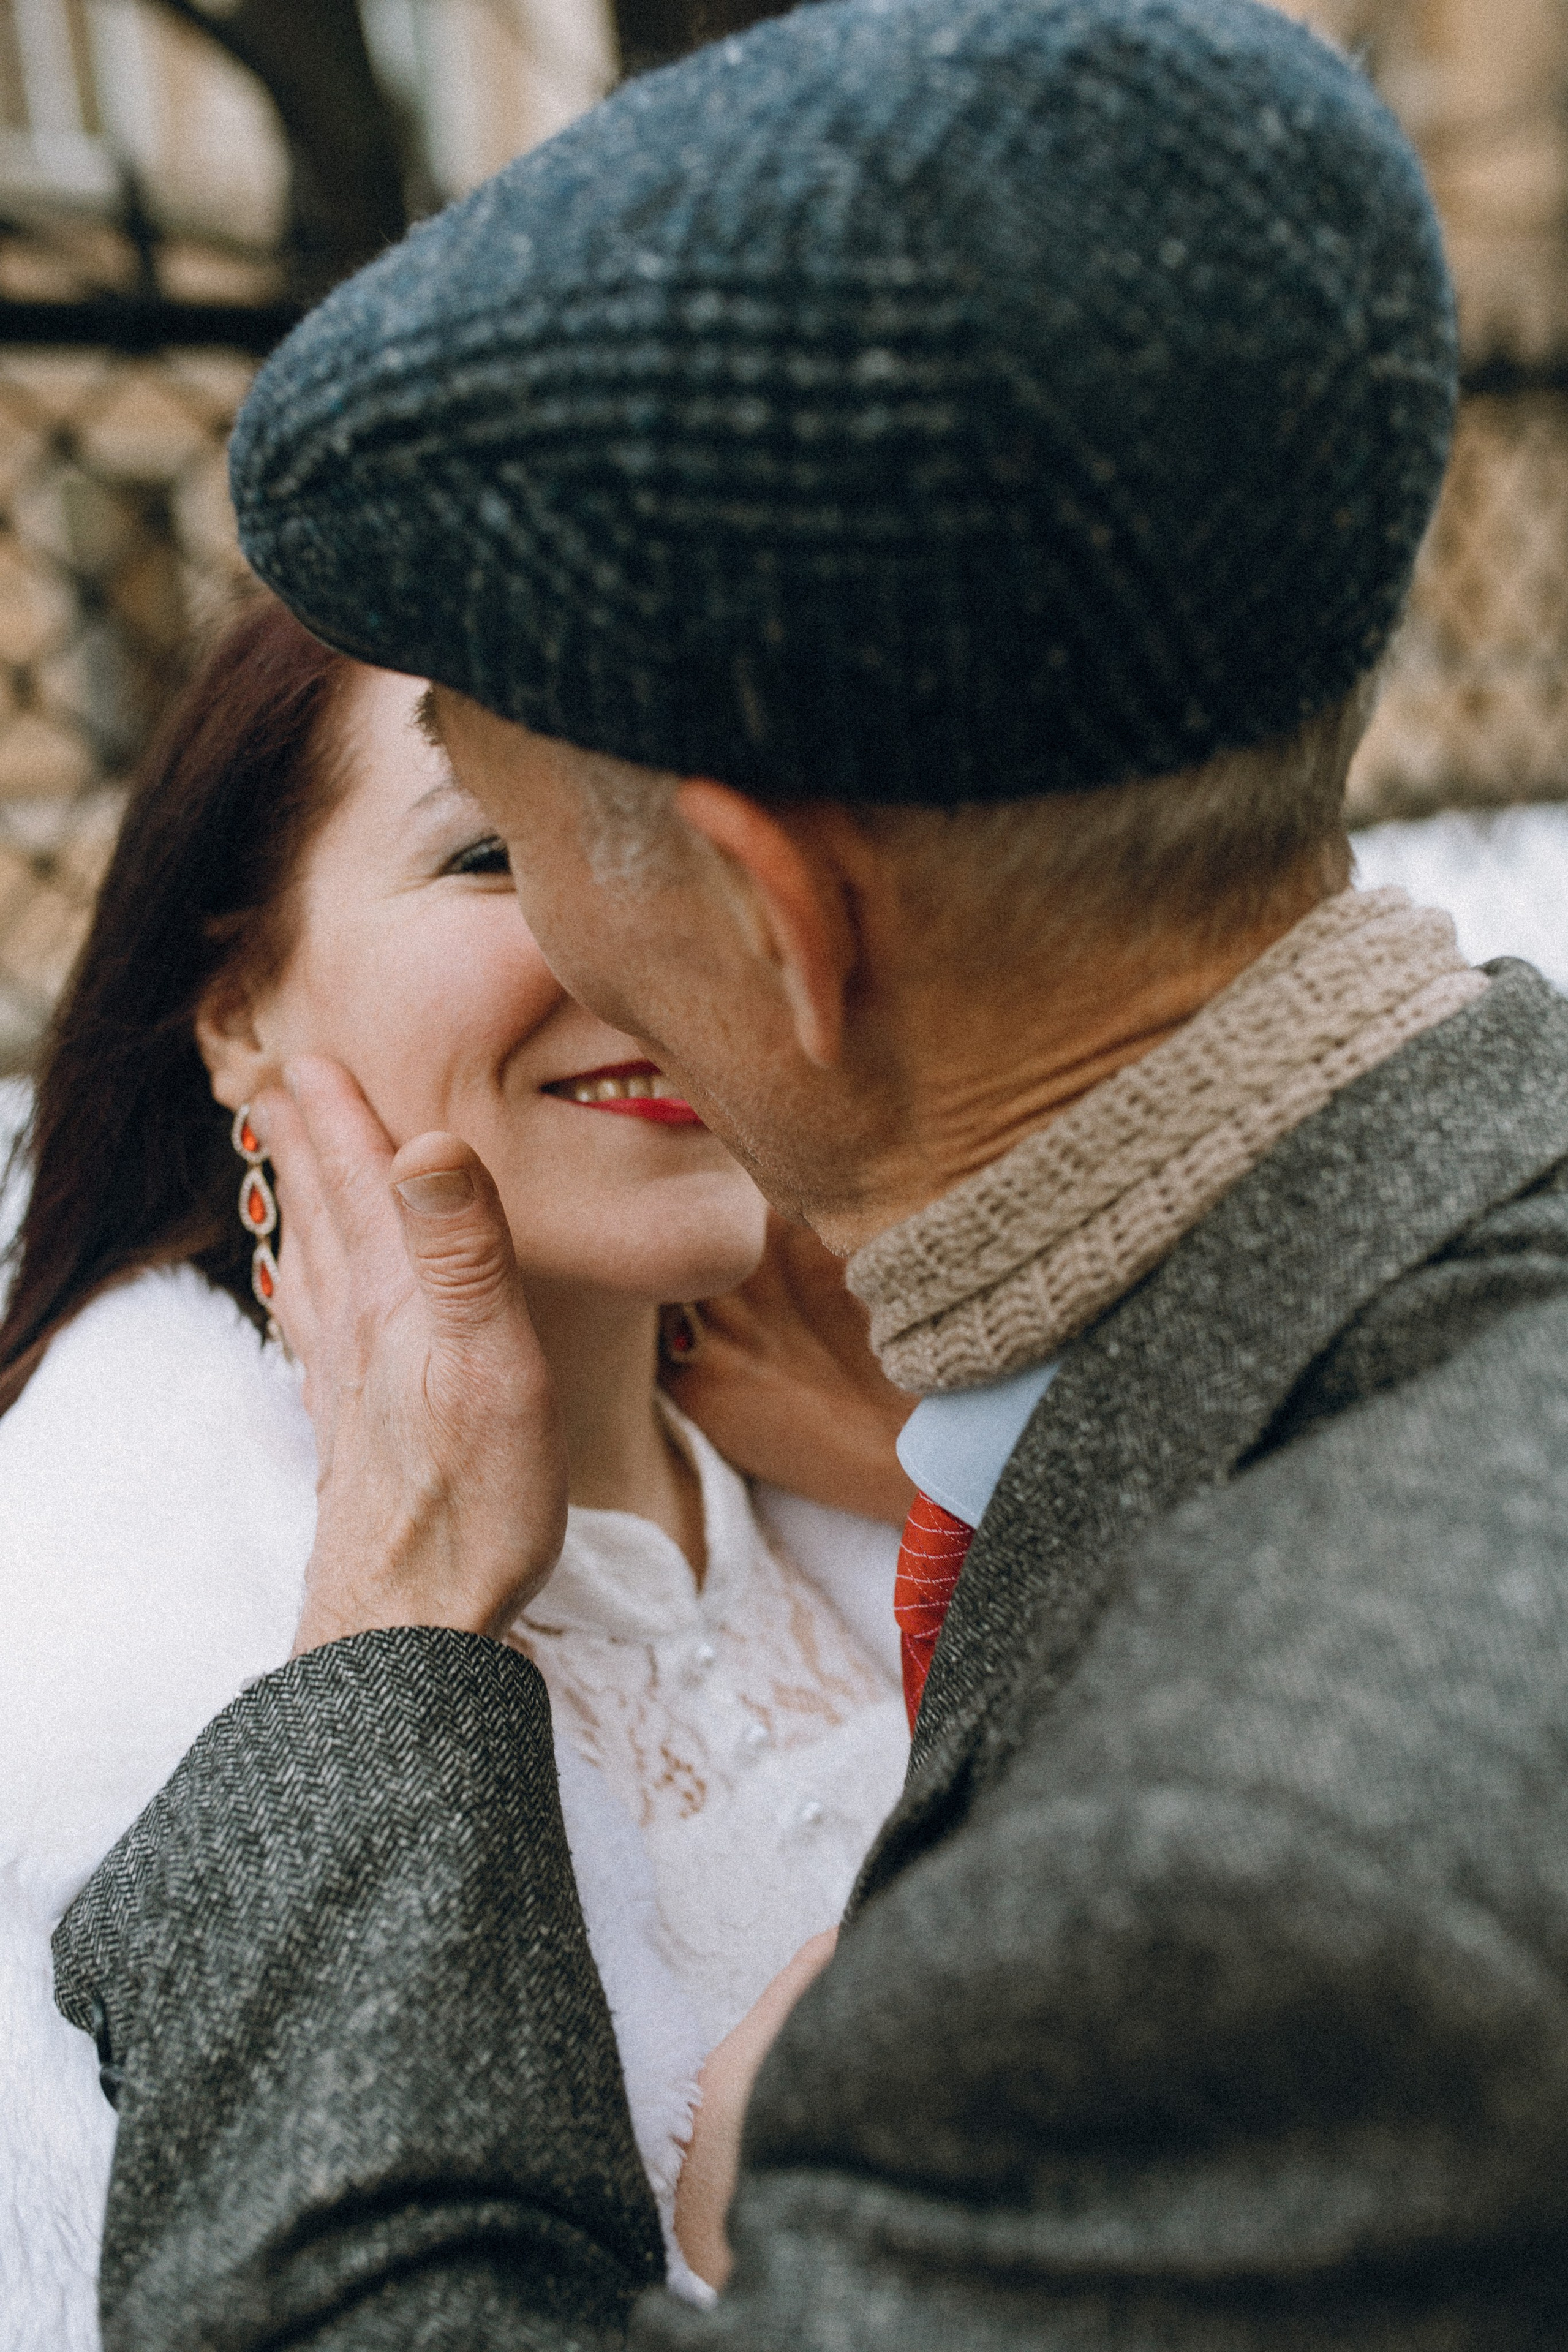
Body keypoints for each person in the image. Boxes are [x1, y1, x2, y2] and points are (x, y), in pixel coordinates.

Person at [51, 0, 1568, 2343]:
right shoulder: (119, 1584)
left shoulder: (1246, 1886)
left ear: (766, 913)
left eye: (526, 839)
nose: (565, 940)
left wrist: (385, 1659)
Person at [0, 596, 914, 2350]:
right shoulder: (91, 1678)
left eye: (721, 840)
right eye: (501, 849)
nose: (670, 941)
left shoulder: (896, 1474)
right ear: (236, 1003)